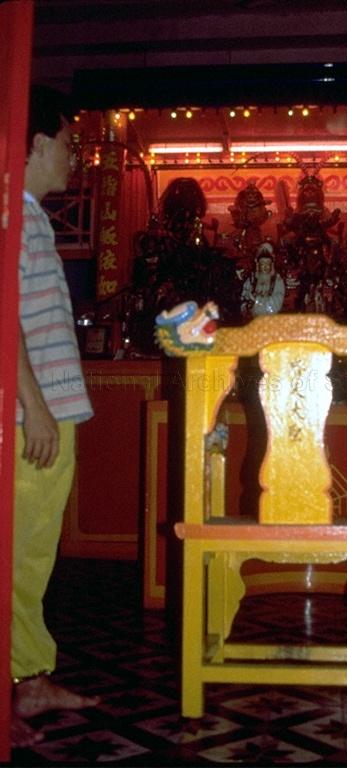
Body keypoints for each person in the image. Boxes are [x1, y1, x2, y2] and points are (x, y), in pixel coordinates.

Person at [11, 84, 100, 748]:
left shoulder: (30, 213)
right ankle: (18, 687)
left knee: (33, 555)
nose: (74, 157)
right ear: (37, 143)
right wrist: (34, 407)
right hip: (30, 417)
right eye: (68, 143)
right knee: (20, 555)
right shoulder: (12, 209)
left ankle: (29, 677)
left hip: (46, 411)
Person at [240, 242, 285, 318]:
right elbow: (243, 300)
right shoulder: (251, 280)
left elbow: (277, 303)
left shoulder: (277, 281)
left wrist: (257, 301)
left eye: (268, 263)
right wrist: (247, 304)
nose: (265, 267)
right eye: (262, 263)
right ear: (258, 265)